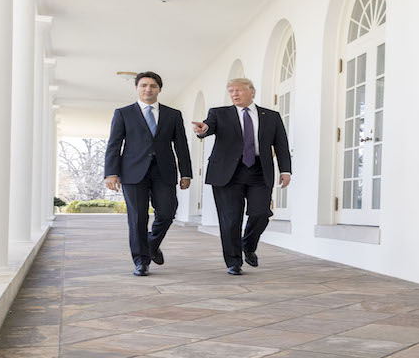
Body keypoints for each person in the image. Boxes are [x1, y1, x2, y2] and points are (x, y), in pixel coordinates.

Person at [192, 78, 291, 275]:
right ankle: (234, 262)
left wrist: (285, 170)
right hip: (227, 173)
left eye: (239, 90)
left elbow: (281, 144)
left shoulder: (271, 116)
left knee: (261, 213)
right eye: (231, 91)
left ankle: (248, 244)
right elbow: (208, 127)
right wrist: (202, 130)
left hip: (258, 170)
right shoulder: (218, 113)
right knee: (230, 219)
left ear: (252, 92)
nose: (234, 94)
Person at [104, 71, 192, 276]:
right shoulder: (123, 113)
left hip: (164, 171)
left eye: (153, 86)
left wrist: (186, 173)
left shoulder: (173, 114)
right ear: (137, 88)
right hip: (132, 172)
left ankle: (151, 244)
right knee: (137, 217)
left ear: (159, 89)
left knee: (168, 212)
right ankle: (141, 261)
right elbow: (114, 144)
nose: (148, 89)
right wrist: (111, 173)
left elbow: (181, 145)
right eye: (143, 85)